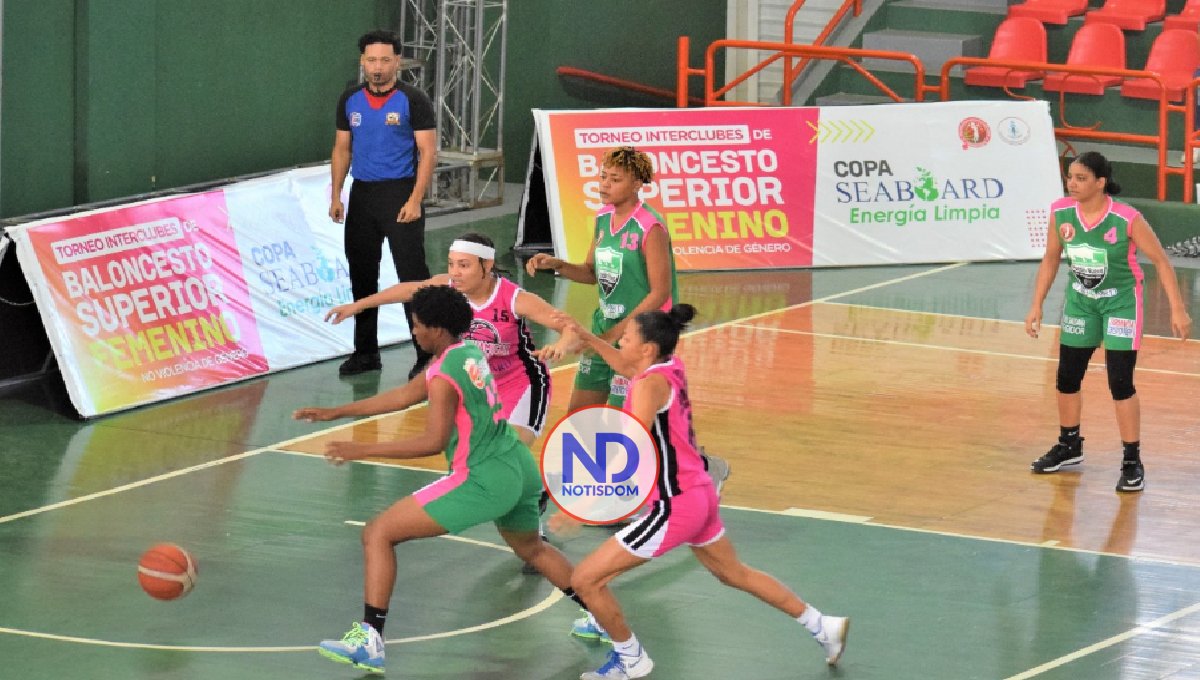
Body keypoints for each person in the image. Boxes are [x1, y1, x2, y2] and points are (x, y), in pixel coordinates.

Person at [555, 304, 849, 679]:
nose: (621, 342)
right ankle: (822, 625)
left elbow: (632, 447)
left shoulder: (648, 385)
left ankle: (631, 660)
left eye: (626, 338)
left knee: (585, 580)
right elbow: (626, 366)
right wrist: (590, 337)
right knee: (733, 573)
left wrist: (582, 506)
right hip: (700, 494)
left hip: (674, 505)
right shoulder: (667, 369)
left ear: (646, 348)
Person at [313, 285, 590, 674]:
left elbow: (433, 441)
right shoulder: (467, 350)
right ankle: (600, 615)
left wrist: (360, 449)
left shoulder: (444, 372)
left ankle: (370, 640)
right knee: (534, 549)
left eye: (417, 326)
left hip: (482, 478)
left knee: (378, 533)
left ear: (436, 329)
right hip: (517, 466)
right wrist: (337, 412)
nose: (414, 333)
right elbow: (407, 394)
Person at [524, 146, 731, 493]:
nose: (604, 184)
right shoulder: (604, 219)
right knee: (580, 417)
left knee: (627, 426)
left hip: (639, 340)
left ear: (636, 183)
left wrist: (619, 333)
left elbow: (659, 293)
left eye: (615, 179)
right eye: (603, 176)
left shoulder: (651, 227)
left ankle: (691, 472)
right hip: (606, 331)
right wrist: (557, 265)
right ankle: (580, 487)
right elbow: (592, 273)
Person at [297, 233, 573, 448]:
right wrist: (358, 306)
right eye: (451, 264)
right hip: (477, 384)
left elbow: (569, 326)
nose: (455, 272)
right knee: (481, 455)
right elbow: (407, 290)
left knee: (512, 449)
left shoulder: (513, 298)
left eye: (464, 265)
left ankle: (531, 492)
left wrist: (561, 344)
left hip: (521, 382)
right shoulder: (449, 296)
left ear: (486, 266)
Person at [1025, 151, 1192, 492]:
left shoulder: (1126, 218)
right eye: (1070, 177)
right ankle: (1069, 444)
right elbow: (1051, 259)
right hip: (1080, 305)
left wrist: (1178, 308)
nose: (1072, 183)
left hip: (1120, 305)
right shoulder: (1060, 213)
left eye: (1081, 178)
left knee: (1120, 382)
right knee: (1067, 378)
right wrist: (1036, 305)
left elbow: (1160, 261)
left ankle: (1132, 460)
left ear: (1100, 183)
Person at [331, 29, 437, 379]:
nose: (377, 67)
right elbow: (342, 149)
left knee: (412, 277)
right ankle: (365, 353)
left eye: (385, 60)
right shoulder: (350, 99)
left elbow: (427, 152)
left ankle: (426, 354)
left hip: (400, 193)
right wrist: (336, 195)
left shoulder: (413, 99)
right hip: (363, 195)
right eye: (371, 60)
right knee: (362, 275)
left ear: (397, 62)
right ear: (363, 61)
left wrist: (416, 199)